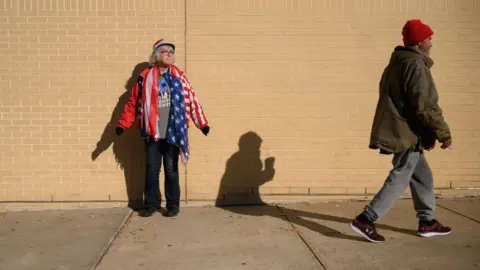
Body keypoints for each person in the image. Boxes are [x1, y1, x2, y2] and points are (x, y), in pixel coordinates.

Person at [350, 20, 453, 243]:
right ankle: (366, 219)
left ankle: (427, 222)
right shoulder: (415, 65)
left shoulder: (396, 63)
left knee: (422, 176)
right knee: (401, 175)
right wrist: (442, 133)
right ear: (418, 41)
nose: (431, 42)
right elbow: (424, 105)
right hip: (405, 133)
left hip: (401, 130)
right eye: (428, 38)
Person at [115, 39, 210, 217]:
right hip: (152, 131)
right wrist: (122, 124)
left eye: (171, 52)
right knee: (152, 168)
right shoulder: (145, 77)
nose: (169, 54)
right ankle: (151, 204)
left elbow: (192, 100)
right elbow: (133, 103)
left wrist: (202, 123)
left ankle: (173, 205)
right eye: (165, 51)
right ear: (157, 55)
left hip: (174, 131)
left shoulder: (179, 77)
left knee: (171, 169)